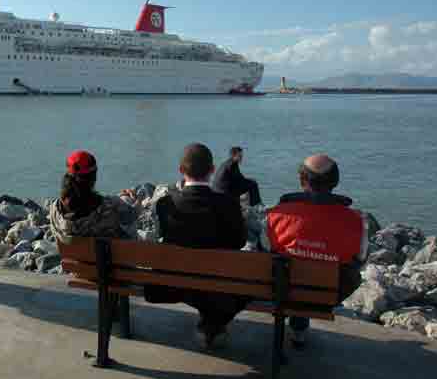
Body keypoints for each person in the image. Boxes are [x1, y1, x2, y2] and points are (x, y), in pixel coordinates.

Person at [144, 143, 248, 349]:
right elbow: (240, 241)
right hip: (217, 280)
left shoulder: (165, 204)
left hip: (174, 282)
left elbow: (165, 237)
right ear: (211, 170)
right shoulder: (228, 203)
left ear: (181, 171)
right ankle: (213, 322)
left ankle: (210, 321)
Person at [261, 154, 368, 348]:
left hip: (282, 289)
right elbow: (360, 258)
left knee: (285, 269)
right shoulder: (355, 220)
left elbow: (265, 250)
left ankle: (297, 325)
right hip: (328, 295)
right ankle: (299, 329)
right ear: (335, 182)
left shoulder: (276, 215)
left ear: (302, 180)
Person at [49, 150, 137, 243]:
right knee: (127, 209)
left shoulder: (55, 210)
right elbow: (132, 215)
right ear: (93, 177)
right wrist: (135, 200)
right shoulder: (108, 206)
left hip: (74, 256)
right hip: (111, 256)